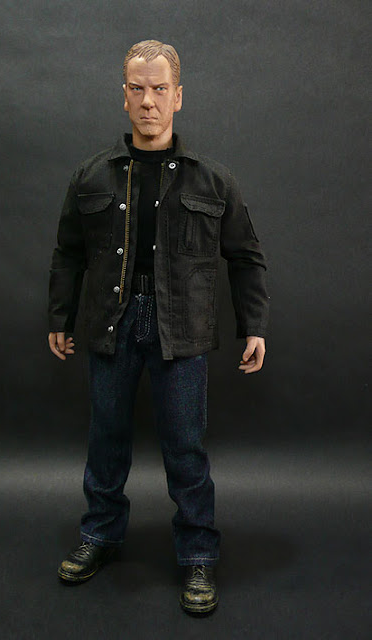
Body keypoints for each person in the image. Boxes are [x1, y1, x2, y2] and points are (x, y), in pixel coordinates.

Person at [48, 39, 269, 615]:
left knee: (185, 446)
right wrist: (60, 317)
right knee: (106, 439)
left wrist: (255, 325)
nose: (149, 101)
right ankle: (100, 533)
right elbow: (69, 252)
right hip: (110, 322)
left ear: (178, 97)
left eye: (160, 89)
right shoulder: (91, 175)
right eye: (137, 89)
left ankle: (197, 552)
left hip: (182, 328)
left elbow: (245, 257)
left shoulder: (213, 180)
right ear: (124, 96)